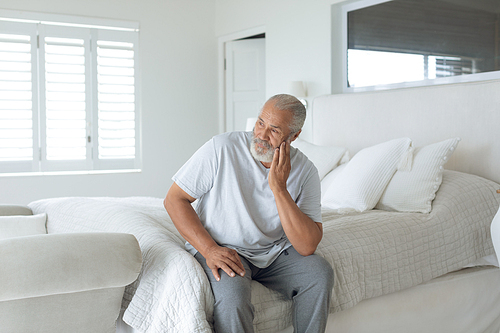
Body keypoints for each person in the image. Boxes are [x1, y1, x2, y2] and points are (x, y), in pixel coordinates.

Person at [164, 94, 334, 333]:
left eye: (274, 130)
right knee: (233, 299)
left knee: (319, 273)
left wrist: (279, 188)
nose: (262, 135)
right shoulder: (222, 147)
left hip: (273, 253)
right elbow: (175, 199)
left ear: (294, 136)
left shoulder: (305, 171)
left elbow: (307, 246)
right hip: (224, 247)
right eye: (260, 122)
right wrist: (210, 250)